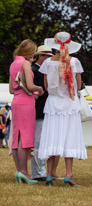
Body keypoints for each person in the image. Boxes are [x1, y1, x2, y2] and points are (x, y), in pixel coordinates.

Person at [38, 32, 87, 186]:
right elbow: (78, 86)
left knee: (53, 138)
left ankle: (49, 175)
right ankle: (68, 174)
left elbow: (46, 87)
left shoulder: (47, 63)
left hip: (53, 104)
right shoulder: (74, 62)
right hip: (69, 103)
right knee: (68, 139)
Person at [9, 39, 44, 184]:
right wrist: (39, 89)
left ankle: (19, 171)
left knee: (16, 138)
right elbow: (30, 85)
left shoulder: (13, 64)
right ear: (28, 52)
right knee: (25, 138)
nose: (34, 56)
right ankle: (24, 172)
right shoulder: (25, 64)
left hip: (16, 102)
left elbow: (12, 89)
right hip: (26, 103)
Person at [30, 45, 56, 181]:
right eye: (48, 56)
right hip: (39, 111)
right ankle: (37, 172)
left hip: (45, 110)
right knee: (38, 142)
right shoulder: (36, 71)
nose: (51, 59)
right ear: (41, 56)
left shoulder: (41, 70)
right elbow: (47, 89)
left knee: (42, 142)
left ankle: (41, 171)